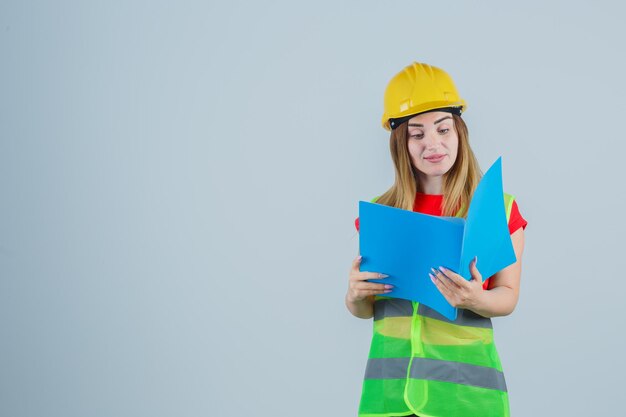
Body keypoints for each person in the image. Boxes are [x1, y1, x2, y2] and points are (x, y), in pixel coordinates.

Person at [346, 62, 527, 417]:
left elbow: (507, 297)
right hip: (391, 397)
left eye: (443, 129)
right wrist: (354, 296)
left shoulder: (497, 210)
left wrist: (476, 299)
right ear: (401, 143)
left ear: (459, 131)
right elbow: (366, 308)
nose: (434, 144)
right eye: (417, 134)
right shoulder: (382, 214)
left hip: (465, 398)